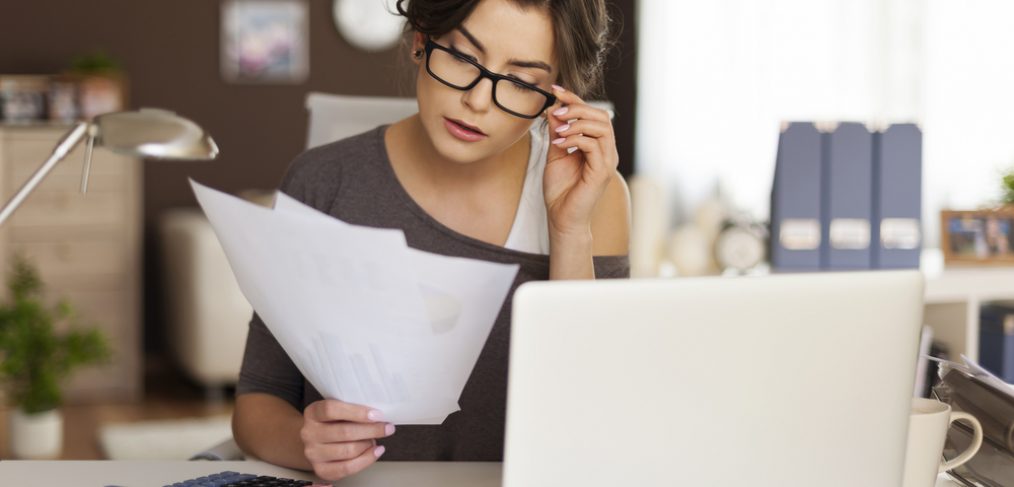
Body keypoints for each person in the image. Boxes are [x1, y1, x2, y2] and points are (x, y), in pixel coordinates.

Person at [231, 0, 630, 481]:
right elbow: (257, 401)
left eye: (523, 82)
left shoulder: (594, 198)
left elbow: (591, 420)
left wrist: (569, 229)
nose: (479, 101)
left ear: (555, 98)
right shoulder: (323, 182)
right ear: (421, 39)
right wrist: (305, 442)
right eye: (463, 58)